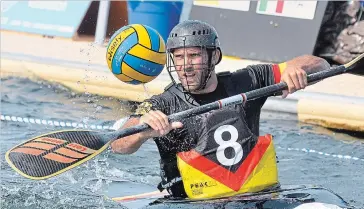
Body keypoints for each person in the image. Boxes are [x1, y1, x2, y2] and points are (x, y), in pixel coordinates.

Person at [111, 20, 330, 199]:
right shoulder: (162, 104)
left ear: (214, 57)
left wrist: (295, 68)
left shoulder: (247, 81)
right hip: (191, 205)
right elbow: (118, 144)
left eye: (194, 56)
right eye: (178, 57)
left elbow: (320, 64)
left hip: (259, 197)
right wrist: (142, 131)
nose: (185, 66)